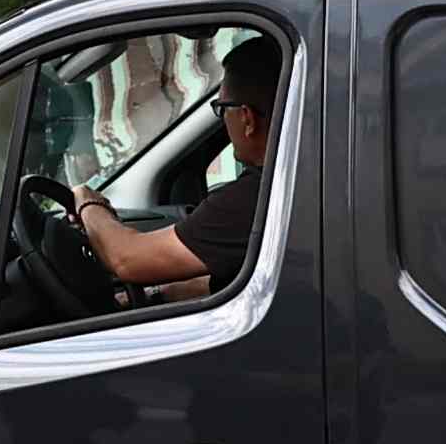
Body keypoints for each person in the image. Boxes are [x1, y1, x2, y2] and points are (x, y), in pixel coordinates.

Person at [70, 37, 288, 302]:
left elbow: (126, 258)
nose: (223, 119)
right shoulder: (292, 184)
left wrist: (87, 202)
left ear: (247, 118)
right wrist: (156, 295)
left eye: (221, 108)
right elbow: (236, 280)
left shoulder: (256, 198)